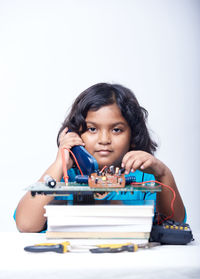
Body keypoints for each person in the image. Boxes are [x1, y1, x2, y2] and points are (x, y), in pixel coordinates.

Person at [15, 83, 186, 232]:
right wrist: (60, 163)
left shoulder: (145, 179)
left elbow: (175, 225)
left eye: (117, 130)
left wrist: (163, 174)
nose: (104, 140)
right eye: (92, 129)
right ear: (75, 133)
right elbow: (26, 224)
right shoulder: (64, 178)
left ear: (133, 137)